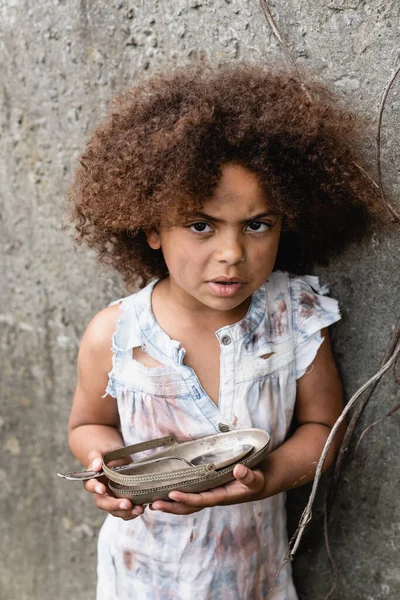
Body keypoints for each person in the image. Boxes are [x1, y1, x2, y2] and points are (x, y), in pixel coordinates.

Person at [67, 60, 385, 600]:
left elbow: (322, 428)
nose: (233, 254)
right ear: (149, 226)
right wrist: (104, 469)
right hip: (142, 575)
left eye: (257, 225)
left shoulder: (297, 318)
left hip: (252, 575)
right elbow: (86, 426)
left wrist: (268, 478)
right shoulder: (118, 335)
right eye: (200, 226)